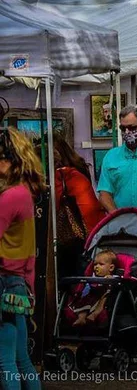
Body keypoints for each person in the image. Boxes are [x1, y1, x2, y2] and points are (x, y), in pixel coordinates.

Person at [0, 128, 43, 390]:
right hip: (18, 283)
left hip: (4, 280)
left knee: (6, 362)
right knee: (21, 360)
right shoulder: (24, 192)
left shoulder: (9, 196)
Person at [52, 133, 106, 278]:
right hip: (92, 233)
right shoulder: (78, 171)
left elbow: (53, 205)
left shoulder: (62, 176)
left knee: (69, 279)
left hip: (73, 236)